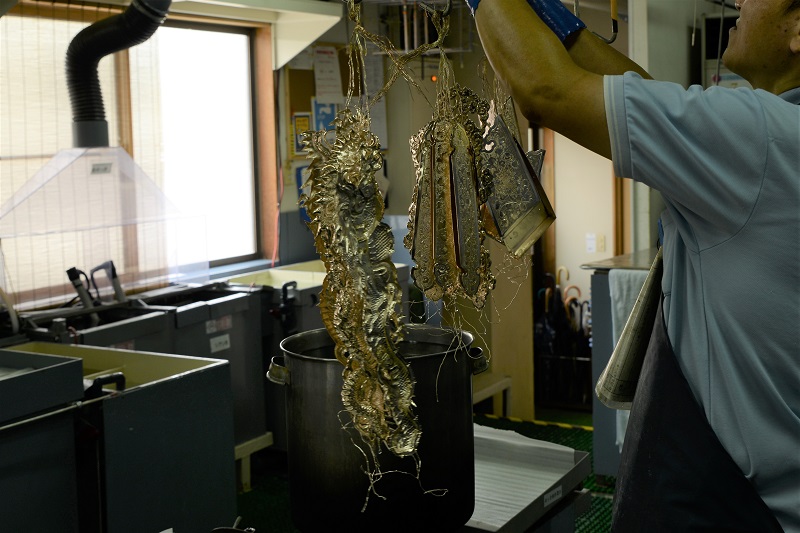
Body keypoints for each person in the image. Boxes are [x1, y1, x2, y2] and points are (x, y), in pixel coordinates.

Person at [464, 0, 800, 530]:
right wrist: (552, 19)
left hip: (719, 505)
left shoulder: (761, 136)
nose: (739, 1)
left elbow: (545, 91)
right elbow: (645, 91)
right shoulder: (779, 136)